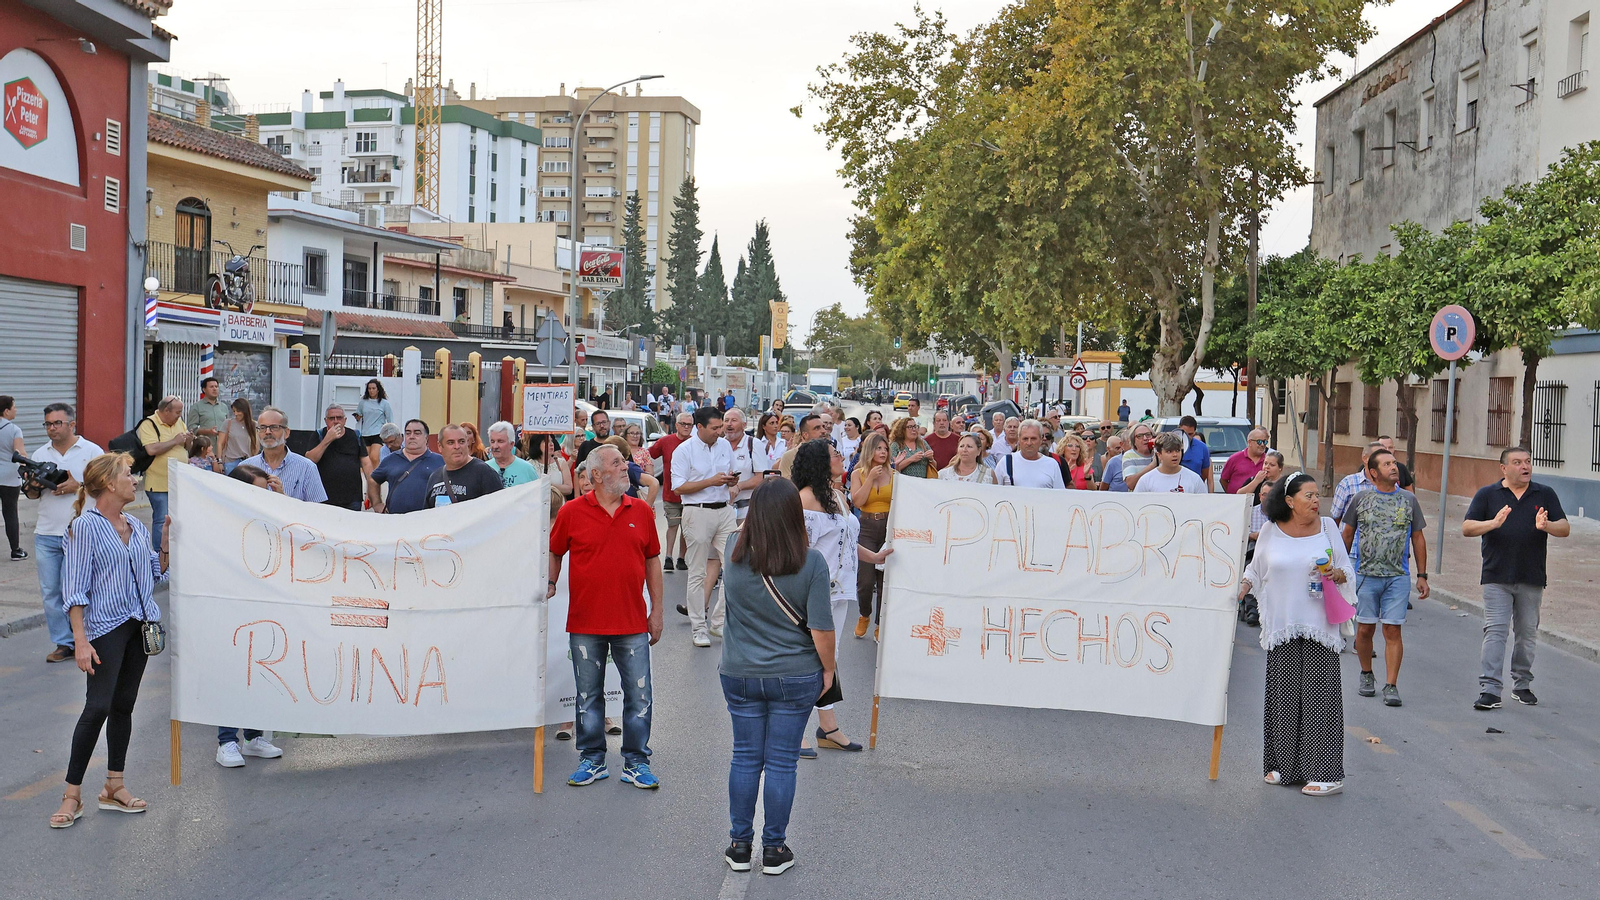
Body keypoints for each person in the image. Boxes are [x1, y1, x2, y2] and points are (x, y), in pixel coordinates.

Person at [718, 478, 836, 876]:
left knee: (746, 757)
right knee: (783, 763)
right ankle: (773, 849)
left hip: (740, 671)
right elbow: (821, 629)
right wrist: (829, 670)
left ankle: (738, 845)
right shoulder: (811, 562)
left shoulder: (732, 556)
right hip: (794, 674)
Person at [47, 453, 169, 829]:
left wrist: (165, 544)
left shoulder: (133, 522)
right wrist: (79, 641)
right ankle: (72, 795)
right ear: (109, 484)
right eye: (128, 475)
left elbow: (154, 575)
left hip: (138, 625)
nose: (135, 481)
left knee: (124, 705)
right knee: (97, 707)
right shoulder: (85, 526)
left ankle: (114, 785)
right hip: (106, 629)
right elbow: (74, 588)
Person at [549, 445, 665, 790]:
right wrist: (551, 581)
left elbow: (653, 561)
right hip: (585, 623)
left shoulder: (641, 511)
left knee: (639, 695)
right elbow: (555, 551)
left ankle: (635, 762)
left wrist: (657, 610)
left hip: (631, 621)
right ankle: (592, 759)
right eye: (617, 463)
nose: (626, 467)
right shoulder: (572, 512)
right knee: (588, 695)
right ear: (596, 475)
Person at [1238, 473, 1353, 796]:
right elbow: (1255, 571)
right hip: (1282, 626)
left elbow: (1347, 571)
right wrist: (1239, 589)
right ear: (1289, 501)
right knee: (1283, 696)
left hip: (1320, 626)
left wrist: (1336, 573)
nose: (1316, 501)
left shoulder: (1328, 528)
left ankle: (1326, 773)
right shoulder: (1271, 531)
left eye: (1318, 495)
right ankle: (1282, 766)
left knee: (1320, 699)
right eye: (1308, 496)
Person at [791, 440, 893, 757]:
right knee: (811, 659)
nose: (841, 457)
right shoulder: (805, 499)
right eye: (835, 455)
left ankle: (828, 727)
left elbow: (847, 540)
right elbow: (798, 552)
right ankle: (793, 731)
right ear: (821, 462)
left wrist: (874, 557)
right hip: (813, 592)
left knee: (828, 658)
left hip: (838, 590)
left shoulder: (836, 495)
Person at [1463, 447, 1570, 710]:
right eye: (1518, 462)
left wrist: (1547, 526)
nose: (1525, 467)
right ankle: (1490, 689)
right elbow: (1467, 527)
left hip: (1531, 576)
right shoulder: (1488, 494)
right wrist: (1492, 524)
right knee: (1496, 631)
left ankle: (1521, 684)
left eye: (1528, 462)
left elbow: (1565, 528)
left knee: (1526, 634)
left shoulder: (1544, 494)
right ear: (1504, 468)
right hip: (1496, 575)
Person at [1340, 448, 1428, 708]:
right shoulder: (1361, 498)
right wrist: (1340, 571)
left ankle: (1391, 684)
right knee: (1365, 629)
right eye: (1387, 464)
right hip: (1366, 575)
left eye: (1395, 462)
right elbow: (1346, 535)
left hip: (1397, 577)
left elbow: (1418, 537)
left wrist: (1422, 575)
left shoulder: (1409, 500)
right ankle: (1367, 674)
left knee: (1392, 629)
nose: (1394, 467)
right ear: (1374, 472)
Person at [30, 403, 102, 664]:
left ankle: (92, 636)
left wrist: (78, 486)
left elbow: (106, 487)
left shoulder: (92, 451)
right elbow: (30, 494)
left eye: (56, 423)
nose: (51, 428)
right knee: (51, 591)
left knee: (86, 588)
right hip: (47, 532)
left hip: (81, 531)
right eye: (47, 424)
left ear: (72, 424)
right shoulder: (40, 453)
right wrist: (33, 486)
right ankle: (64, 642)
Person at [675, 406, 739, 647]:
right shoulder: (685, 450)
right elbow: (678, 487)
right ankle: (698, 627)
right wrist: (711, 481)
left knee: (734, 566)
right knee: (697, 571)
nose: (719, 431)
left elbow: (732, 475)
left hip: (724, 509)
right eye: (714, 428)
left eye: (720, 426)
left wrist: (732, 480)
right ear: (699, 427)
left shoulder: (723, 445)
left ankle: (718, 622)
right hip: (697, 511)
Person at [850, 432, 893, 638]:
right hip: (866, 526)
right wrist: (871, 479)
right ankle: (864, 614)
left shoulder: (894, 474)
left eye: (885, 449)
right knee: (865, 581)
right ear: (870, 451)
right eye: (879, 449)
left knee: (884, 580)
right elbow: (858, 502)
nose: (883, 452)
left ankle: (879, 623)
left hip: (888, 526)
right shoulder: (858, 474)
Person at [240, 407, 326, 503]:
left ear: (287, 433)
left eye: (274, 427)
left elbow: (317, 510)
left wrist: (283, 497)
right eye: (263, 428)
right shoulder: (245, 467)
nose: (268, 432)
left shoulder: (307, 468)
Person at [136, 395, 188, 551]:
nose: (180, 416)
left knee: (178, 519)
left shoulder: (178, 422)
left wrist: (189, 440)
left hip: (178, 481)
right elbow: (151, 449)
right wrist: (175, 441)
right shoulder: (149, 424)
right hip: (158, 483)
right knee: (162, 519)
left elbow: (184, 445)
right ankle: (160, 555)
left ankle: (174, 551)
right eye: (178, 412)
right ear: (166, 410)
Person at [367, 419, 445, 514]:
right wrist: (377, 503)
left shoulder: (440, 461)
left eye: (417, 433)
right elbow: (373, 480)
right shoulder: (391, 460)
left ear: (426, 438)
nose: (412, 436)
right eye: (408, 433)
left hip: (427, 520)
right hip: (396, 519)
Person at [650, 412, 695, 573]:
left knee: (686, 528)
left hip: (691, 493)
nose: (686, 427)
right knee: (673, 525)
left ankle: (681, 557)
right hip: (671, 493)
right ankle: (668, 556)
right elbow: (649, 455)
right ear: (676, 425)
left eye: (689, 425)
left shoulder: (696, 443)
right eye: (683, 424)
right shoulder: (666, 441)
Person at [306, 403, 370, 510]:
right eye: (332, 418)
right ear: (326, 421)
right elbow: (309, 460)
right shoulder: (319, 435)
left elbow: (366, 464)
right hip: (325, 498)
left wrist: (371, 491)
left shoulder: (355, 436)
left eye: (339, 418)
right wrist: (327, 439)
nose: (336, 421)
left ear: (344, 420)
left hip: (352, 498)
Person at [424, 424, 504, 507]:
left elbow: (500, 511)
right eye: (450, 442)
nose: (457, 446)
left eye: (461, 441)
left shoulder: (484, 473)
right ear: (440, 446)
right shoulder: (435, 477)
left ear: (467, 443)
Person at [723, 408, 765, 524]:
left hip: (746, 510)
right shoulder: (718, 445)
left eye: (734, 420)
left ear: (744, 425)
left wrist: (739, 486)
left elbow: (761, 477)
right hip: (720, 510)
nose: (729, 424)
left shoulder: (753, 444)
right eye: (726, 420)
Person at [0, 396, 29, 559]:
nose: (16, 410)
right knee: (10, 512)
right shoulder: (14, 429)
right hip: (9, 477)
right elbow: (19, 452)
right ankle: (15, 550)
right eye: (14, 407)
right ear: (6, 411)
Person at [998, 420, 1066, 489]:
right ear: (1019, 440)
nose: (1029, 443)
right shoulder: (1005, 462)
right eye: (1025, 439)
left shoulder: (1052, 465)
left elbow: (1060, 496)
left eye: (1033, 439)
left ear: (1041, 440)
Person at [1133, 432, 1208, 494]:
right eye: (1169, 451)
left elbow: (1204, 506)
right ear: (1159, 455)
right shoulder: (1146, 480)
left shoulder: (1194, 479)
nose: (1175, 455)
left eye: (1178, 450)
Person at [1331, 441, 1386, 523]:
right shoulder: (1348, 484)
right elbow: (1336, 516)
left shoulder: (1391, 484)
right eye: (1378, 456)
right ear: (1365, 459)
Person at [354, 379, 395, 468]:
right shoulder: (363, 403)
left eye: (373, 388)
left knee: (374, 457)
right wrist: (357, 416)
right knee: (366, 458)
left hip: (378, 433)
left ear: (378, 389)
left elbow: (390, 420)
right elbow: (359, 415)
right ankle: (368, 477)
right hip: (365, 433)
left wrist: (390, 434)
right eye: (369, 389)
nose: (371, 391)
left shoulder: (384, 403)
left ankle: (376, 477)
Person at [485, 421, 537, 488]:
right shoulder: (484, 468)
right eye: (492, 441)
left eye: (500, 441)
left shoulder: (527, 469)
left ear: (511, 444)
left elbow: (537, 495)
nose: (495, 446)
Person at [1220, 428, 1271, 495]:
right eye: (1259, 442)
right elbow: (1223, 480)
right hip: (1236, 501)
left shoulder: (1268, 460)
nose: (1262, 445)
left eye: (1265, 442)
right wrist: (1232, 494)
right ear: (1250, 442)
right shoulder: (1235, 458)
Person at [779, 414, 829, 480]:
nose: (823, 431)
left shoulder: (830, 454)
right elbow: (786, 485)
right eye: (817, 428)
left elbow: (836, 483)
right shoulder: (789, 456)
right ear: (805, 434)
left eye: (823, 427)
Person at [184, 377, 230, 446]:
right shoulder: (197, 407)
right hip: (205, 448)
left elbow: (228, 426)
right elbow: (192, 428)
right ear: (204, 389)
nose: (215, 389)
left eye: (216, 387)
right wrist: (208, 431)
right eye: (211, 387)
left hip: (223, 448)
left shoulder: (224, 407)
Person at [218, 398, 258, 474]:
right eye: (234, 411)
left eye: (238, 411)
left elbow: (256, 445)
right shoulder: (228, 423)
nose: (236, 414)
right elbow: (220, 443)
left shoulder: (254, 425)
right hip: (230, 462)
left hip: (247, 462)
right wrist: (219, 462)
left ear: (245, 411)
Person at [1176, 415, 1214, 489]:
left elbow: (1204, 473)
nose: (1187, 437)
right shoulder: (1169, 445)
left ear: (1195, 432)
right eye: (1184, 433)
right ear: (1179, 428)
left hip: (1194, 489)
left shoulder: (1202, 447)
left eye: (1190, 434)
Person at [1116, 423, 1157, 491]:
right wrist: (1153, 465)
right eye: (1140, 436)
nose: (1145, 438)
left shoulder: (1160, 453)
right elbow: (1131, 484)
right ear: (1133, 441)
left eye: (1148, 435)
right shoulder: (1129, 456)